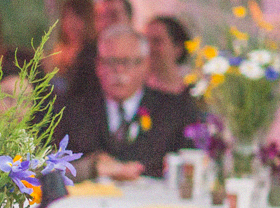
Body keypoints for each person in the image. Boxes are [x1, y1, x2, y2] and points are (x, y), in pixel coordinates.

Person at [55, 24, 200, 181]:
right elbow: (50, 167)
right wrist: (92, 167)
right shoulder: (70, 111)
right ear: (98, 66)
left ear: (146, 64)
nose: (119, 71)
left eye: (127, 62)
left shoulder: (175, 112)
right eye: (111, 62)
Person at [144, 15, 194, 96]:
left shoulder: (194, 92)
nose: (149, 47)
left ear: (178, 48)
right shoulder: (135, 92)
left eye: (156, 41)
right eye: (145, 41)